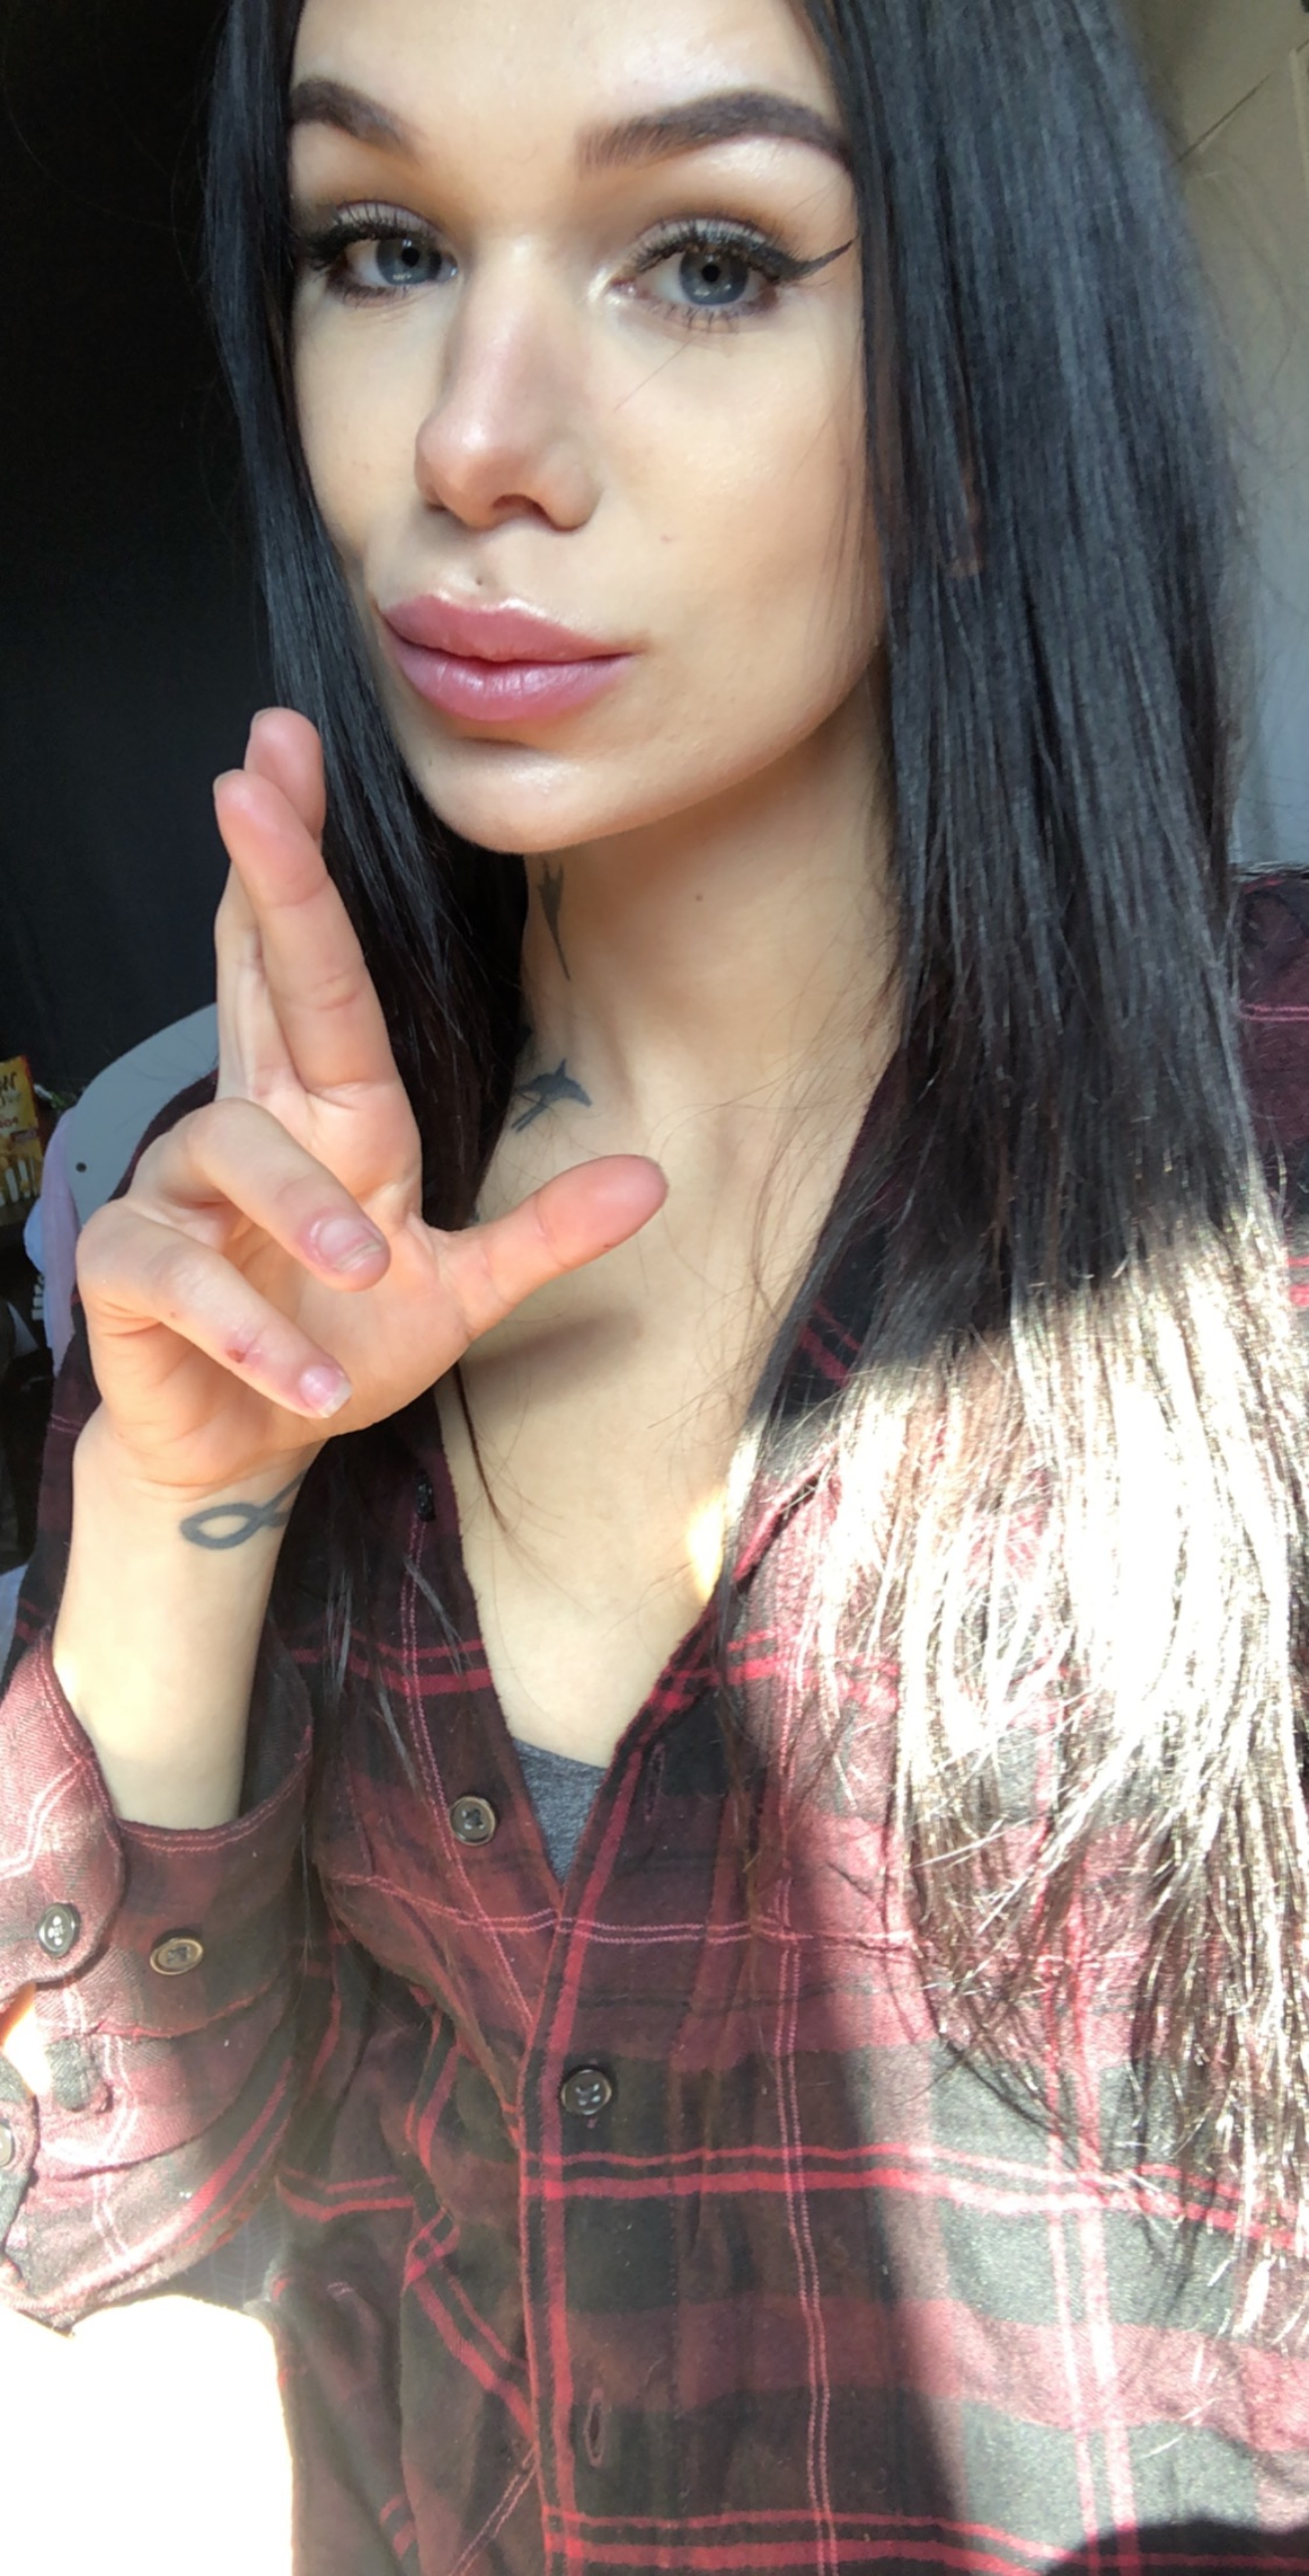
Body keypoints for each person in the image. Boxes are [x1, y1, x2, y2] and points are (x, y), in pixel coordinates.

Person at [3, 0, 1309, 2567]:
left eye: (705, 258)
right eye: (382, 244)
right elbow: (118, 2212)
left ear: (976, 369)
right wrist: (184, 1505)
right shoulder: (242, 1203)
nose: (469, 439)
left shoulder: (1261, 1152)